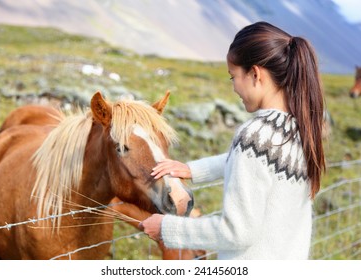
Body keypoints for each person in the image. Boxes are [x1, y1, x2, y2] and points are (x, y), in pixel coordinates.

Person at [139, 21, 325, 260]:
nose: (234, 88)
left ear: (255, 74)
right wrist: (192, 170)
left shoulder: (254, 137)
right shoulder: (299, 130)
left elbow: (236, 232)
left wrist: (167, 228)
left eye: (233, 76)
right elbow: (258, 163)